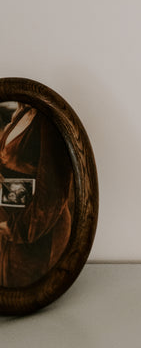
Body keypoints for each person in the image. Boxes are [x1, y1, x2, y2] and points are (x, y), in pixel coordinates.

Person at [0, 103, 74, 288]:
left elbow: (52, 191)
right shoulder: (23, 113)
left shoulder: (47, 122)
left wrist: (19, 229)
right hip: (13, 219)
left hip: (39, 229)